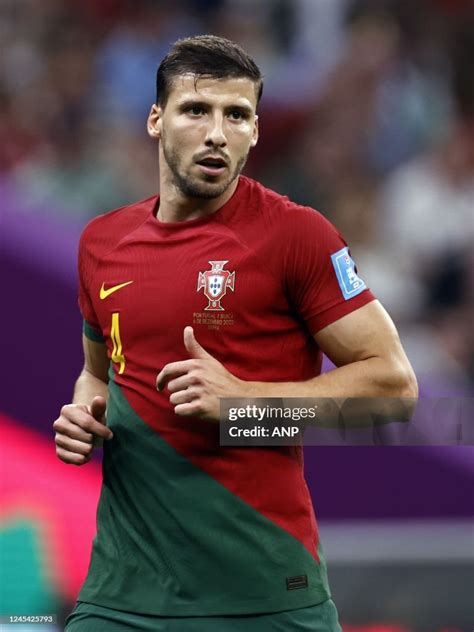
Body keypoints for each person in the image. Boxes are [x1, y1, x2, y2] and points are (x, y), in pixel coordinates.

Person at [54, 35, 418, 632]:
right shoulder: (101, 243)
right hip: (121, 597)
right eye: (197, 110)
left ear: (254, 130)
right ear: (156, 119)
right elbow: (99, 371)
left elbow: (395, 389)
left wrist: (243, 402)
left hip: (265, 596)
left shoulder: (297, 235)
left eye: (237, 114)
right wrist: (83, 412)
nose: (217, 131)